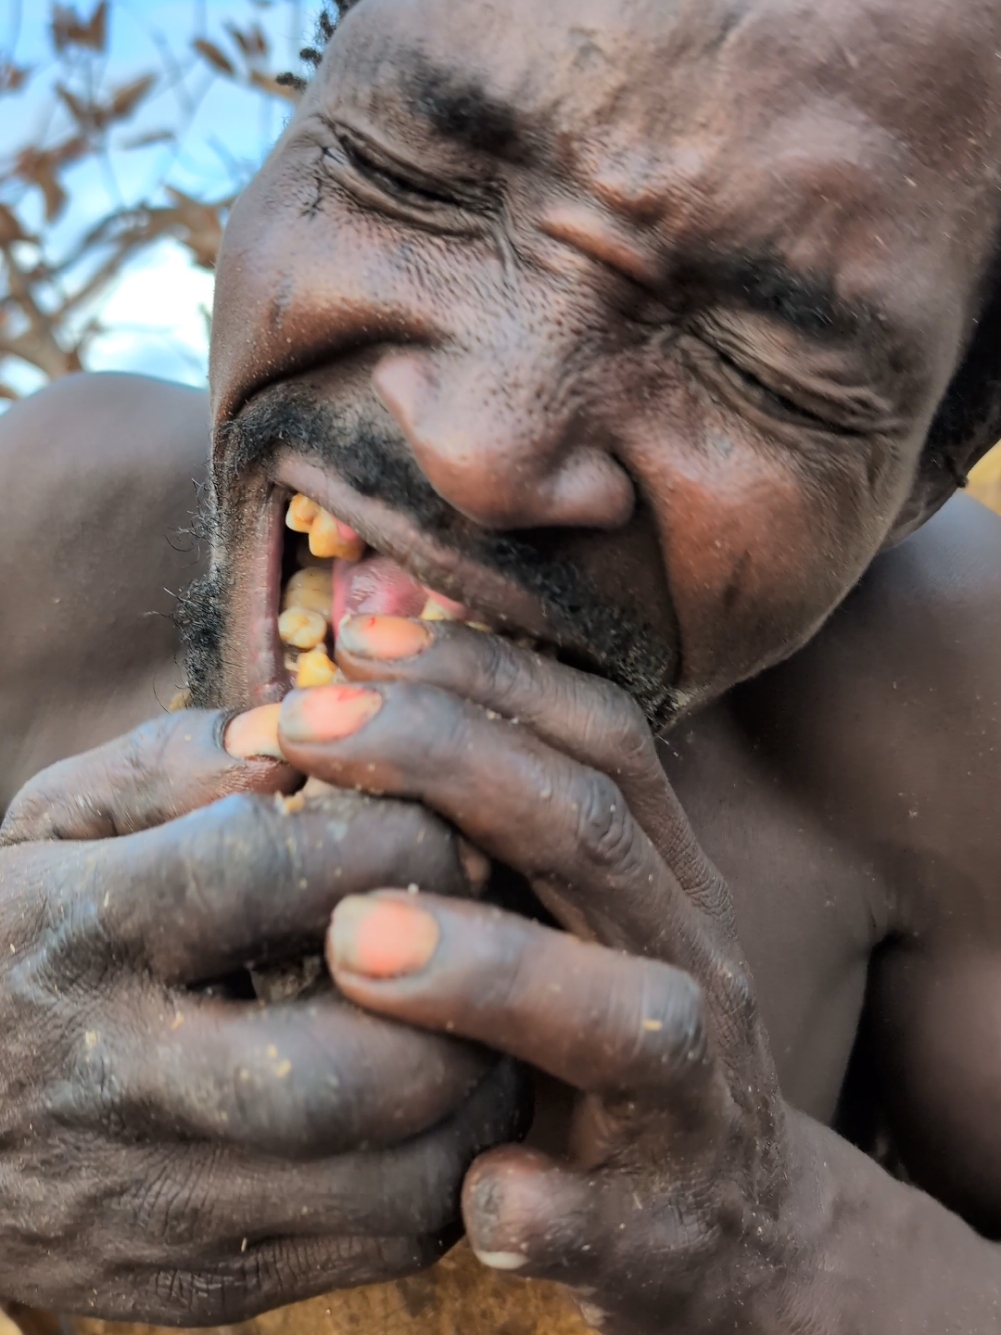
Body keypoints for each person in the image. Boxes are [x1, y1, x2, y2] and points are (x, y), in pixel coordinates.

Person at [4, 0, 1001, 1330]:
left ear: (930, 470)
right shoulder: (42, 532)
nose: (481, 449)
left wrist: (781, 1243)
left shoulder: (942, 710)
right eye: (407, 178)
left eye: (755, 361)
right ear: (284, 132)